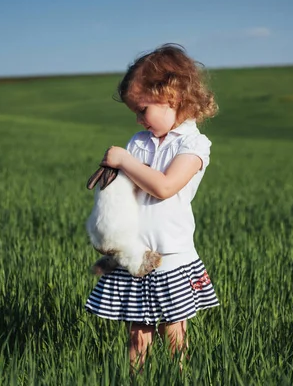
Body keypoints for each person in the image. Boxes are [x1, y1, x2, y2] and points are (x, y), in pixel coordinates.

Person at [85, 43, 220, 373]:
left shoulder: (193, 144)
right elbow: (124, 192)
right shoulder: (139, 141)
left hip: (171, 254)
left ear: (172, 97)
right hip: (136, 253)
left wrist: (125, 161)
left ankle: (179, 378)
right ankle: (136, 378)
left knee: (173, 332)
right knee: (136, 334)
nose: (137, 118)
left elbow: (164, 187)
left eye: (142, 109)